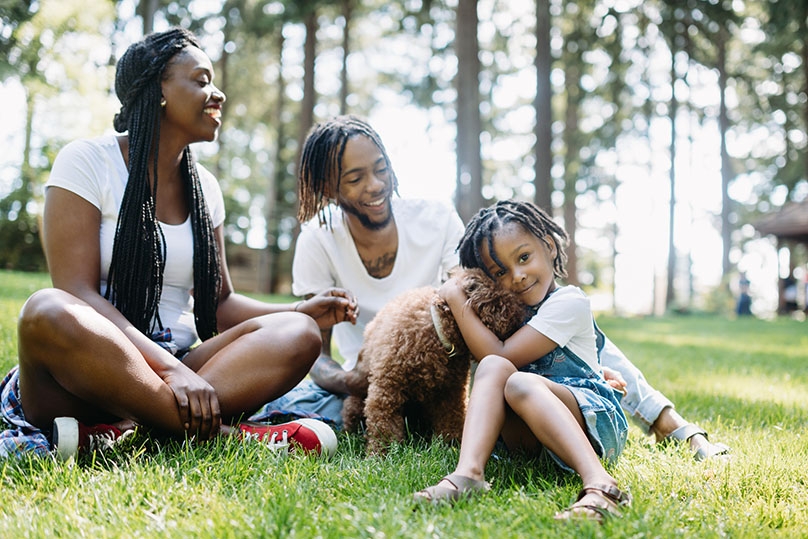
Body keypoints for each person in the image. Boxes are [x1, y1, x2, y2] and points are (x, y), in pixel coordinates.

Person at [256, 115, 730, 462]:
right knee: (309, 411)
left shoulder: (434, 215)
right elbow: (316, 350)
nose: (375, 185)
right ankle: (250, 427)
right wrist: (347, 379)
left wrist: (583, 370)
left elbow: (503, 310)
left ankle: (667, 420)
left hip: (454, 376)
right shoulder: (318, 238)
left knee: (558, 317)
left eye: (380, 168)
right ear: (328, 187)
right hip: (371, 384)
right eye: (355, 178)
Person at [0, 28, 357, 460]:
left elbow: (220, 302)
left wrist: (300, 310)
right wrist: (167, 370)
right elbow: (77, 293)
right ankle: (232, 438)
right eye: (202, 80)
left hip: (182, 366)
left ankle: (123, 431)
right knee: (46, 309)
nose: (218, 94)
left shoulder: (205, 188)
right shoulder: (87, 162)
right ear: (159, 91)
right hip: (84, 374)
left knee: (299, 333)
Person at [413, 200, 630, 522]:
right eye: (500, 272)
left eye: (524, 257)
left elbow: (499, 354)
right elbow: (489, 361)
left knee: (513, 377)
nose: (517, 276)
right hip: (534, 439)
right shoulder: (503, 312)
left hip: (593, 426)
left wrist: (457, 297)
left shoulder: (569, 301)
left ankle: (601, 485)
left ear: (550, 246)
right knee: (497, 371)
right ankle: (468, 474)